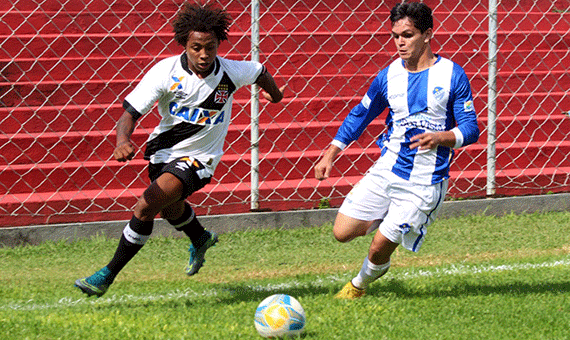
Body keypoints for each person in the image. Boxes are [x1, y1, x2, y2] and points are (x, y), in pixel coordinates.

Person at [75, 2, 285, 297]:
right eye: (196, 47)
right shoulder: (165, 72)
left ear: (217, 45)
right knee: (169, 208)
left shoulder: (230, 72)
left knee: (147, 205)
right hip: (163, 152)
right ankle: (200, 238)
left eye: (210, 47)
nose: (203, 54)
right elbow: (129, 115)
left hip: (201, 158)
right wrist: (122, 141)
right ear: (184, 44)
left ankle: (106, 275)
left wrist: (275, 95)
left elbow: (259, 71)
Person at [314, 2, 479, 299]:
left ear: (428, 34)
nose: (400, 42)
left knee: (378, 247)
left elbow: (471, 128)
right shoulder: (388, 76)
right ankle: (391, 223)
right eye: (395, 36)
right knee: (341, 232)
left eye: (408, 35)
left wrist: (441, 137)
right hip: (387, 169)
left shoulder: (452, 75)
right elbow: (360, 115)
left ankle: (358, 285)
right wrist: (331, 153)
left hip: (424, 182)